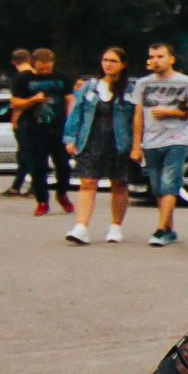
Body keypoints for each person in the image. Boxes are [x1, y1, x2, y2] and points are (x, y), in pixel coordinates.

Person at [62, 46, 140, 245]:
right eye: (105, 60)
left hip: (119, 141)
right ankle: (81, 227)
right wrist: (70, 138)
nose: (108, 64)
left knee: (119, 183)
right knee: (87, 181)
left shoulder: (131, 89)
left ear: (122, 65)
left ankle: (115, 226)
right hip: (91, 138)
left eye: (113, 61)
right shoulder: (89, 87)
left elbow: (137, 119)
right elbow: (76, 113)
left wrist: (137, 146)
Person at [134, 40, 188, 246]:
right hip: (151, 141)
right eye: (152, 57)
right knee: (158, 187)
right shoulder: (143, 84)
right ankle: (169, 228)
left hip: (175, 140)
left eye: (160, 56)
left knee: (169, 185)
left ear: (171, 59)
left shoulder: (186, 82)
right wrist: (136, 145)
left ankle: (160, 230)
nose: (155, 61)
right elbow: (138, 115)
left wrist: (171, 112)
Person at [10, 48, 70, 214]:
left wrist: (71, 121)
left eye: (47, 68)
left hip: (58, 128)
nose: (44, 72)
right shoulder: (24, 79)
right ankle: (42, 201)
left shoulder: (62, 78)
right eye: (40, 69)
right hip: (34, 129)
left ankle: (62, 193)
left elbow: (70, 99)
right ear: (33, 64)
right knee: (38, 167)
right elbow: (15, 103)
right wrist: (33, 100)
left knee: (64, 165)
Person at [0, 49, 34, 194]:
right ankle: (16, 186)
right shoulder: (37, 76)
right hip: (38, 119)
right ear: (30, 59)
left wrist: (15, 119)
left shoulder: (19, 78)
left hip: (24, 120)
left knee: (26, 154)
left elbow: (16, 103)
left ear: (14, 62)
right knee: (25, 154)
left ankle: (35, 185)